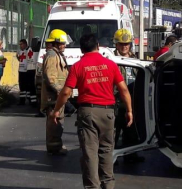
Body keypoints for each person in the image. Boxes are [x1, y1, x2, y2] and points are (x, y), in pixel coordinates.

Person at [50, 33, 133, 189]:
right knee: (107, 151)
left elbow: (66, 92)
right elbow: (124, 90)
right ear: (98, 47)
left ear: (82, 49)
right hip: (108, 113)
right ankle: (108, 184)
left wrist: (56, 110)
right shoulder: (110, 64)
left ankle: (92, 187)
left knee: (90, 153)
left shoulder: (78, 66)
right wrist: (129, 110)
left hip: (87, 112)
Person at [112, 29, 144, 164]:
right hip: (116, 101)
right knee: (113, 132)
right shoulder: (111, 60)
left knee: (131, 131)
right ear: (116, 45)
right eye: (121, 44)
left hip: (132, 101)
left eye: (127, 44)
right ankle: (110, 158)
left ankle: (130, 155)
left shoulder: (134, 59)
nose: (125, 46)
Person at [41, 29, 70, 155]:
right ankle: (54, 147)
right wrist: (60, 90)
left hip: (57, 95)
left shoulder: (57, 54)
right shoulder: (52, 55)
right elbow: (50, 76)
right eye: (62, 43)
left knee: (58, 120)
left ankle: (56, 145)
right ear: (56, 42)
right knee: (54, 121)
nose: (64, 45)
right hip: (53, 96)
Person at [17, 39, 34, 105]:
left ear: (25, 44)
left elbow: (30, 58)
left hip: (27, 70)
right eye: (20, 44)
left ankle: (30, 100)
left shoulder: (29, 49)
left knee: (28, 86)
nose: (20, 46)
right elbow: (19, 58)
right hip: (21, 70)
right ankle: (22, 100)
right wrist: (18, 57)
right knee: (21, 86)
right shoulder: (19, 51)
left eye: (21, 44)